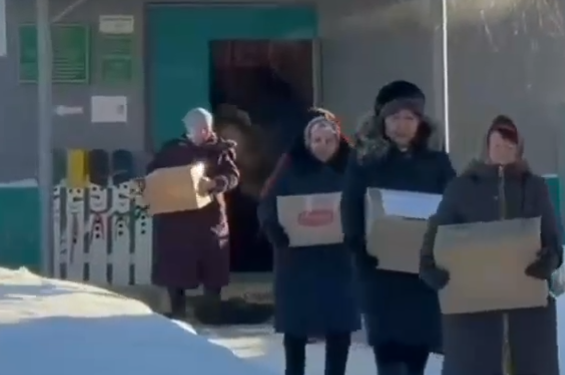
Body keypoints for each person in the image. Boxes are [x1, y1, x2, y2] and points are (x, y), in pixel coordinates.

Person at [419, 115, 564, 375]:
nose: (503, 151)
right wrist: (430, 266)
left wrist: (549, 259)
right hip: (473, 315)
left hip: (527, 316)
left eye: (510, 146)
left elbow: (552, 237)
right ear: (486, 146)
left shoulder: (534, 187)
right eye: (498, 144)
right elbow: (437, 233)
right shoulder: (461, 188)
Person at [342, 86, 457, 375]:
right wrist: (358, 247)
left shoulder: (437, 162)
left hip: (422, 275)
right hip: (380, 273)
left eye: (409, 118)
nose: (401, 125)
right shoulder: (365, 160)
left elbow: (454, 207)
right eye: (395, 117)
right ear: (382, 121)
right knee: (390, 357)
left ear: (420, 123)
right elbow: (351, 205)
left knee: (416, 356)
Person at [259, 111, 360, 375]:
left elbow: (367, 203)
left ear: (338, 141)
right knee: (296, 330)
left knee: (339, 328)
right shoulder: (289, 167)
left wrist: (358, 232)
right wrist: (272, 228)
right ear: (307, 142)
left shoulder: (352, 168)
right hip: (297, 262)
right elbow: (267, 203)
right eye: (317, 140)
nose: (323, 146)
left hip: (339, 261)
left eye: (329, 141)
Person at [146, 107, 241, 321]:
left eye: (206, 128)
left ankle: (212, 310)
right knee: (175, 265)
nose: (204, 133)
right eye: (198, 128)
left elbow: (232, 175)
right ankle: (177, 311)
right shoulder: (172, 150)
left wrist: (216, 182)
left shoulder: (220, 150)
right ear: (188, 128)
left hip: (209, 218)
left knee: (213, 266)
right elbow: (152, 173)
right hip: (176, 219)